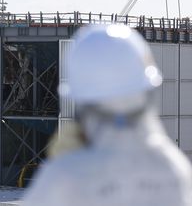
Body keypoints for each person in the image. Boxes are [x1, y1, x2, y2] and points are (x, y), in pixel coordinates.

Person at [22, 24, 192, 206]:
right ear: (148, 93)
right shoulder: (173, 168)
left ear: (82, 102)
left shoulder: (65, 177)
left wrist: (60, 164)